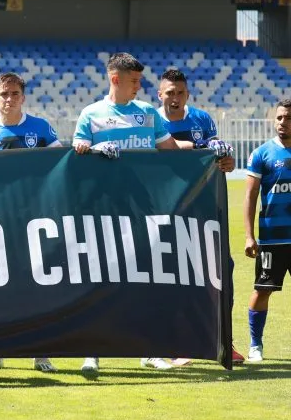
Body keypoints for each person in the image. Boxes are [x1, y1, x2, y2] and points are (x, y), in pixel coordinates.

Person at [73, 53, 233, 374]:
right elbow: (76, 152)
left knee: (148, 282)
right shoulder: (92, 114)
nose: (139, 87)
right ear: (116, 79)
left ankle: (149, 350)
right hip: (106, 211)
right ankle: (92, 352)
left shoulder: (147, 113)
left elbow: (171, 151)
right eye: (134, 81)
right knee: (101, 282)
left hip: (146, 211)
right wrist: (92, 150)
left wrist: (211, 152)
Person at [0, 72, 62, 374]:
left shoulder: (41, 128)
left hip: (34, 217)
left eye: (15, 94)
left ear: (23, 97)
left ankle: (40, 352)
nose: (9, 99)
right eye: (4, 94)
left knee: (39, 283)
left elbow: (61, 162)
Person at [156, 68, 243, 365]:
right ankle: (178, 342)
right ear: (160, 95)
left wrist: (227, 160)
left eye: (180, 92)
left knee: (221, 272)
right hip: (164, 212)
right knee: (173, 277)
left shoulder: (202, 119)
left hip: (204, 210)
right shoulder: (152, 122)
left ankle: (223, 341)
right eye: (170, 93)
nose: (175, 98)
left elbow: (219, 158)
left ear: (187, 94)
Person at [243, 98, 291, 363]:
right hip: (272, 239)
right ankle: (255, 345)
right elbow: (250, 197)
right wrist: (250, 236)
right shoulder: (262, 153)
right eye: (280, 117)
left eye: (289, 118)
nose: (283, 123)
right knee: (263, 290)